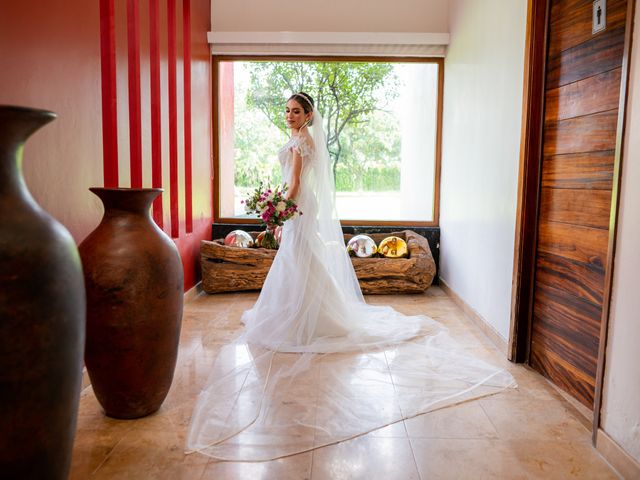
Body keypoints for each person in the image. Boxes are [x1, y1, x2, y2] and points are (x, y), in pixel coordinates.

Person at [186, 92, 516, 461]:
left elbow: (294, 184)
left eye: (296, 111)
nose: (289, 116)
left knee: (297, 259)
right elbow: (295, 183)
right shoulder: (306, 140)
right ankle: (309, 313)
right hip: (301, 207)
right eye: (287, 111)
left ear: (309, 115)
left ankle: (303, 321)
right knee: (300, 260)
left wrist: (278, 211)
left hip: (298, 207)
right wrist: (280, 205)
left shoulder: (300, 142)